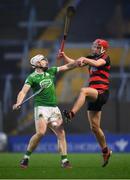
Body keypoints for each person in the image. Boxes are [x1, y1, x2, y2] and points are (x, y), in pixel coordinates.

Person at [13, 54, 76, 169]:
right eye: (42, 60)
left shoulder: (51, 71)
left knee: (61, 134)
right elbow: (23, 92)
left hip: (54, 108)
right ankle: (26, 158)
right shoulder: (32, 77)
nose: (46, 61)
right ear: (37, 64)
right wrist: (18, 102)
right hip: (41, 108)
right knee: (41, 132)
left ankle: (64, 161)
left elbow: (69, 66)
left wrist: (67, 57)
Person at [59, 39, 112, 167]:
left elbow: (97, 63)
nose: (94, 48)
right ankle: (105, 151)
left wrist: (85, 59)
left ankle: (71, 114)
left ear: (102, 49)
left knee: (83, 90)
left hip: (101, 92)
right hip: (94, 93)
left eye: (97, 46)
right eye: (94, 45)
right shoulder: (90, 58)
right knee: (94, 128)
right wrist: (64, 56)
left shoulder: (105, 58)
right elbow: (75, 63)